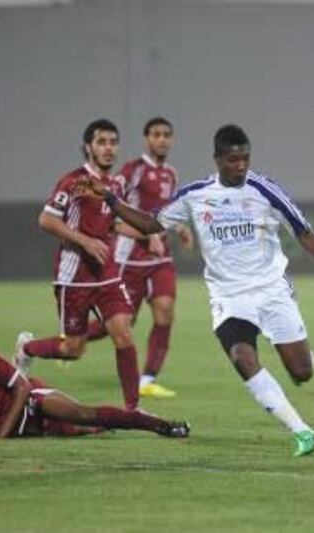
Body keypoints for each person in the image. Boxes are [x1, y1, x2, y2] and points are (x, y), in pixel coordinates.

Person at [85, 124, 314, 457]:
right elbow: (150, 223)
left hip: (272, 290)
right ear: (217, 159)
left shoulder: (264, 189)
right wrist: (111, 199)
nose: (240, 166)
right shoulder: (195, 195)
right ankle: (302, 431)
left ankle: (302, 355)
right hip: (229, 297)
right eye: (232, 160)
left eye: (245, 158)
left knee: (302, 372)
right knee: (242, 356)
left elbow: (304, 232)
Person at [14, 119, 149, 410]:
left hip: (107, 275)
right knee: (73, 349)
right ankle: (27, 348)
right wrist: (85, 241)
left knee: (123, 332)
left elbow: (112, 223)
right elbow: (47, 220)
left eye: (113, 142)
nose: (109, 148)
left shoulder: (114, 185)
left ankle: (132, 409)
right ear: (88, 147)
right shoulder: (73, 181)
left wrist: (147, 232)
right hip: (74, 276)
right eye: (102, 142)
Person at [0, 321, 190, 441]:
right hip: (24, 430)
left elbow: (22, 387)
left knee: (85, 415)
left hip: (27, 403)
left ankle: (159, 425)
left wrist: (1, 434)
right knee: (87, 431)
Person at [86, 117, 194, 399]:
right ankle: (74, 337)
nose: (162, 139)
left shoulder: (171, 173)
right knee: (120, 323)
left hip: (160, 259)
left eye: (166, 135)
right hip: (129, 259)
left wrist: (180, 227)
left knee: (165, 311)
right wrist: (146, 234)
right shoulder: (132, 170)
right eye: (156, 134)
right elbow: (112, 201)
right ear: (147, 139)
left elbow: (166, 210)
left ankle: (147, 379)